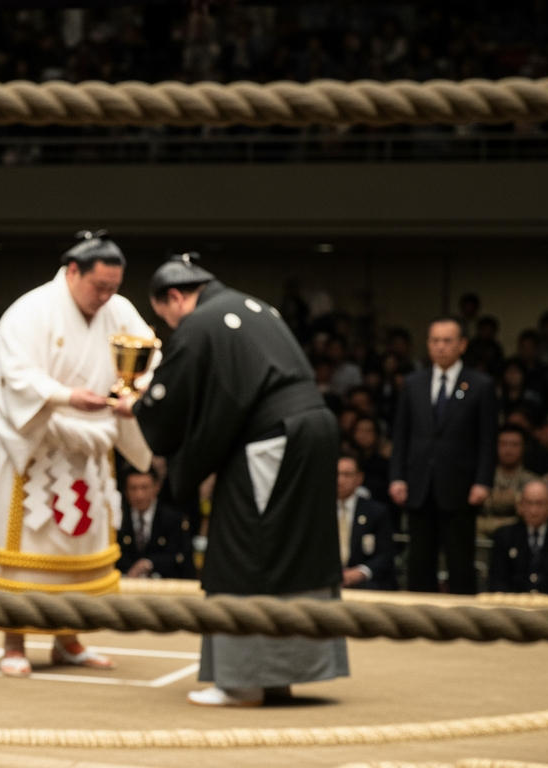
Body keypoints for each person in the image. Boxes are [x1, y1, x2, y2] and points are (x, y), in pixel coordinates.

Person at [132, 253, 348, 708]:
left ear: (174, 297)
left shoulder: (200, 323)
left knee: (246, 544)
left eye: (165, 317)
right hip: (310, 430)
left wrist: (137, 405)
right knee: (294, 547)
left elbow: (176, 399)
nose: (171, 327)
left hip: (276, 438)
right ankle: (278, 673)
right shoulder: (254, 306)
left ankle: (242, 680)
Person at [0, 230, 154, 677]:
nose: (107, 297)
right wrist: (67, 397)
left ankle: (68, 639)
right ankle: (14, 641)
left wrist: (132, 394)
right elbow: (13, 377)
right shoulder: (30, 311)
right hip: (37, 444)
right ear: (73, 271)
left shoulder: (118, 309)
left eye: (114, 287)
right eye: (99, 287)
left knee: (78, 545)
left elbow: (150, 356)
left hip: (92, 445)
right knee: (27, 545)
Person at [389, 316, 497, 595]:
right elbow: (400, 435)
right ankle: (417, 623)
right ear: (427, 345)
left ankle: (464, 624)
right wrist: (397, 477)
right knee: (419, 561)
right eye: (435, 340)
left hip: (460, 485)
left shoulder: (480, 385)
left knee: (460, 562)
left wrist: (482, 481)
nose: (440, 347)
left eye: (447, 341)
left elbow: (487, 439)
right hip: (419, 482)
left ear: (462, 345)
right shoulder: (413, 383)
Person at [116, 467, 196, 580]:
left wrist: (148, 563)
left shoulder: (172, 519)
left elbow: (178, 556)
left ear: (156, 487)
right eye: (133, 488)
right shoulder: (117, 518)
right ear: (125, 490)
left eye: (144, 488)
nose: (139, 495)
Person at [337, 455, 398, 590]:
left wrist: (360, 572)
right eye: (336, 474)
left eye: (347, 474)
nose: (340, 480)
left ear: (359, 478)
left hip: (365, 582)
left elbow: (387, 554)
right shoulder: (319, 511)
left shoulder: (376, 512)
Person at [486, 479, 548, 595]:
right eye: (529, 503)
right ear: (520, 505)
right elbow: (497, 582)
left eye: (540, 503)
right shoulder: (505, 536)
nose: (534, 510)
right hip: (513, 607)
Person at [482, 426, 538, 536]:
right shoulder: (482, 479)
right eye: (503, 444)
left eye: (514, 444)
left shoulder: (534, 483)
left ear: (524, 447)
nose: (508, 449)